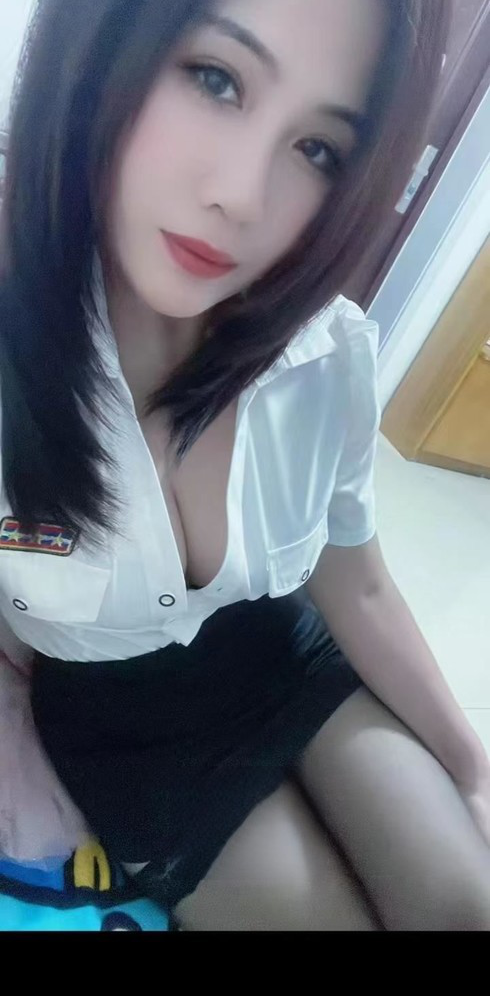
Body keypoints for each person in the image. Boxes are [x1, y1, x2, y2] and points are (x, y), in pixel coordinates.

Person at [0, 0, 489, 933]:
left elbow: (361, 586)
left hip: (282, 658)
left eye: (318, 149)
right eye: (216, 79)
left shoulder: (326, 355)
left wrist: (473, 770)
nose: (243, 197)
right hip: (129, 734)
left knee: (464, 907)